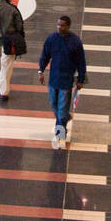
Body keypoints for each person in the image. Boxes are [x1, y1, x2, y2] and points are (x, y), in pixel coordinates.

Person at [38, 15, 87, 149]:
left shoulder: (75, 42)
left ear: (68, 26)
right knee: (54, 106)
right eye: (58, 25)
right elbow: (45, 55)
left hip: (66, 81)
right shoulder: (51, 39)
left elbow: (81, 62)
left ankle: (60, 135)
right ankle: (65, 118)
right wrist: (40, 70)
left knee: (61, 109)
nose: (60, 27)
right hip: (53, 80)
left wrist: (81, 79)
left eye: (63, 25)